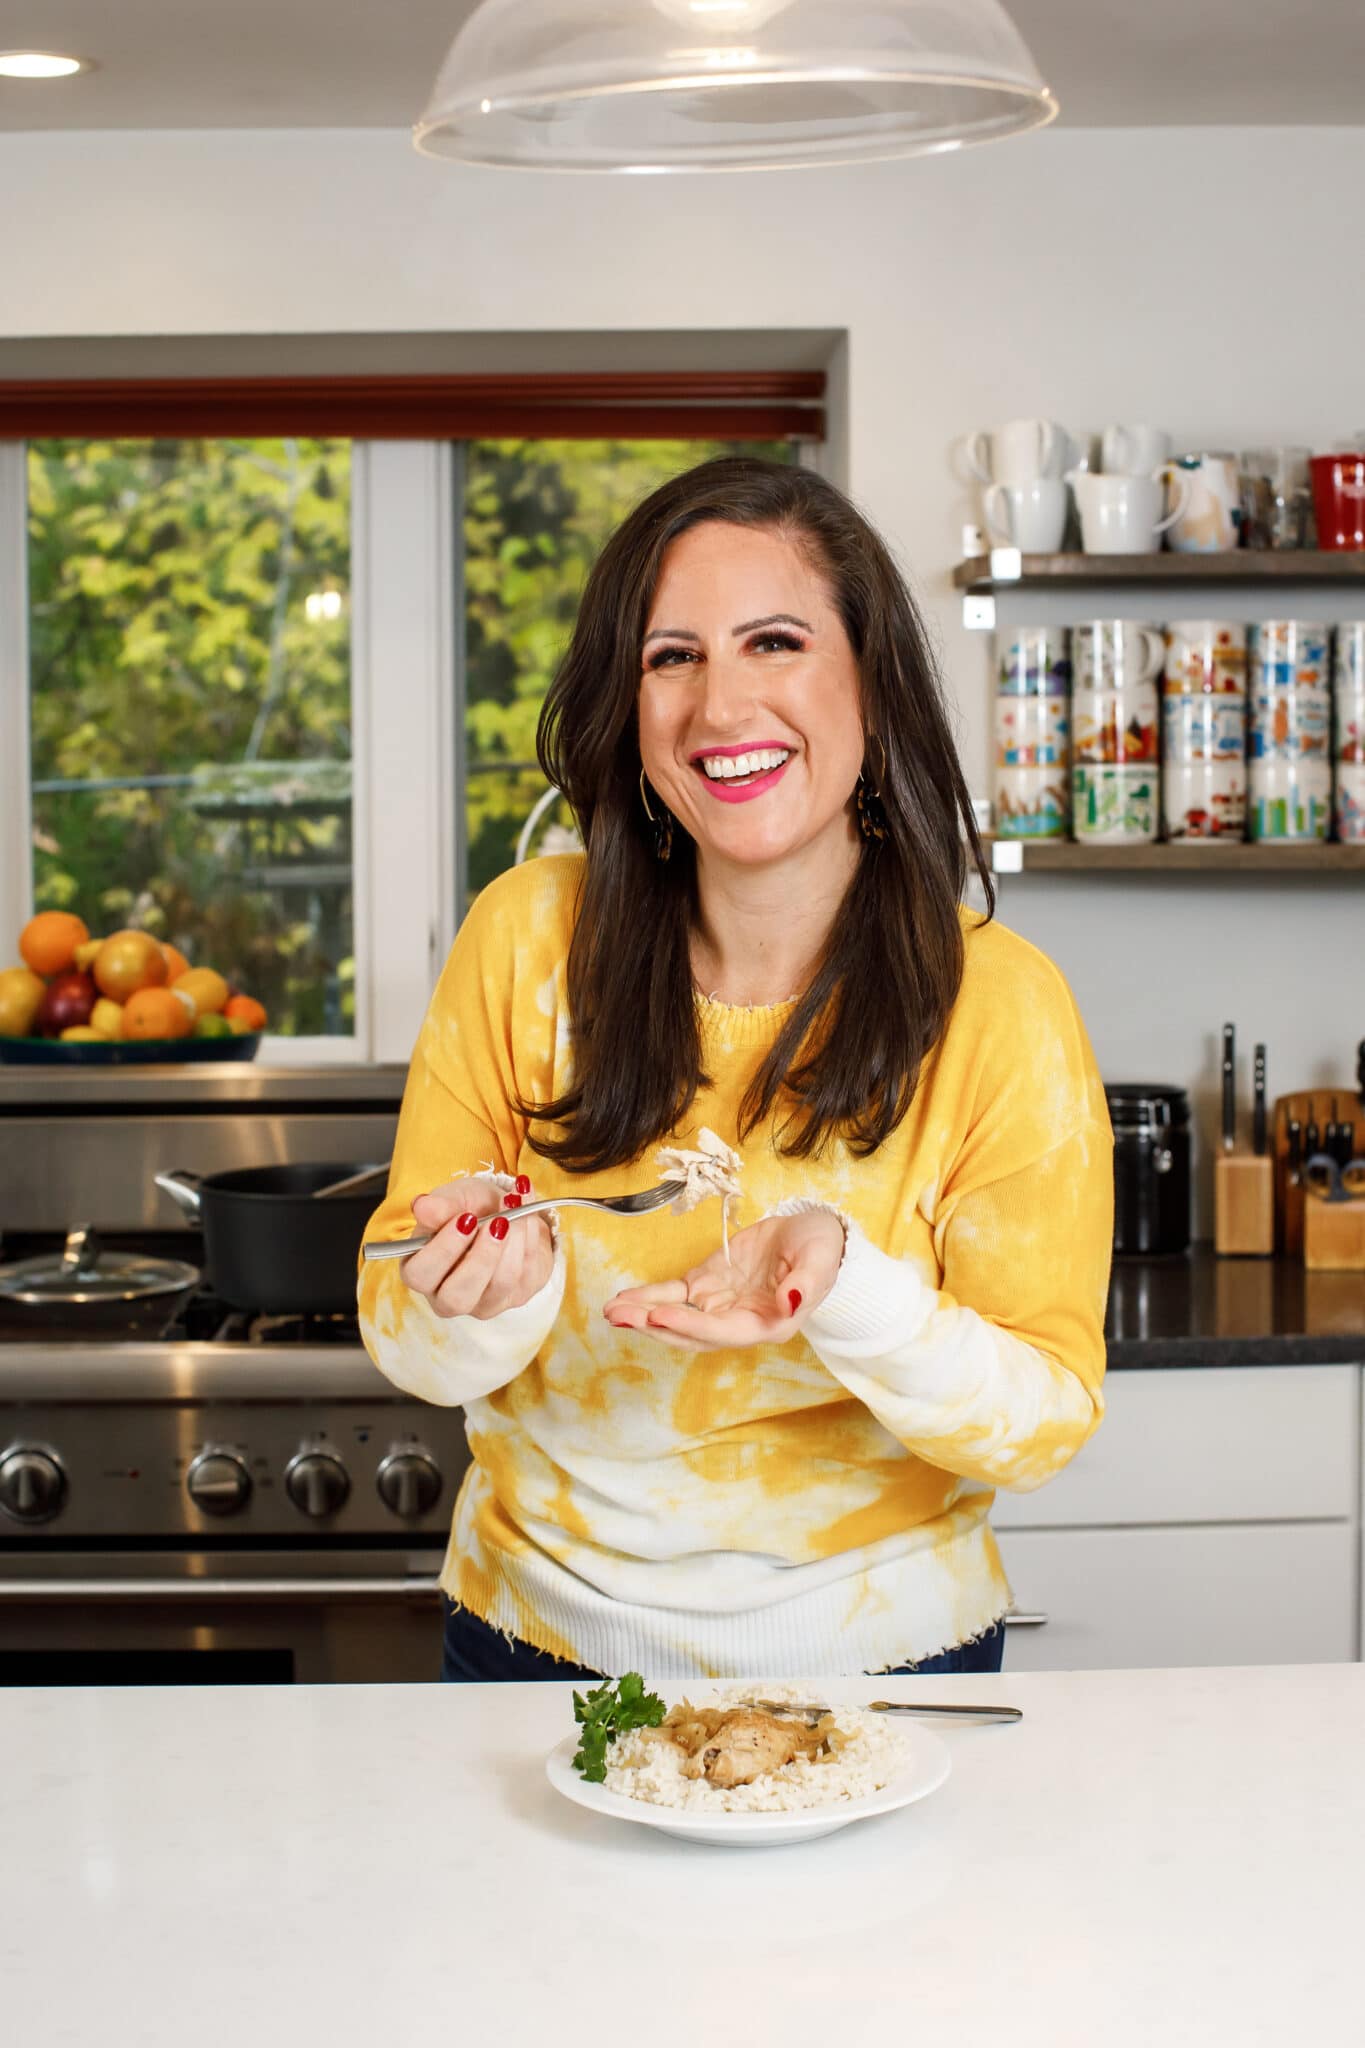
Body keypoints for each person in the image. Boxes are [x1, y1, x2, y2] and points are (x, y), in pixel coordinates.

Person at [358, 456, 1113, 1684]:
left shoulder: (1003, 1002)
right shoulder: (525, 937)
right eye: (673, 656)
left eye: (775, 642)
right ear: (630, 704)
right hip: (532, 1649)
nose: (720, 707)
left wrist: (847, 1286)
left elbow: (1043, 1420)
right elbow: (400, 1320)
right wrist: (482, 1302)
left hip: (887, 1668)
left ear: (871, 682)